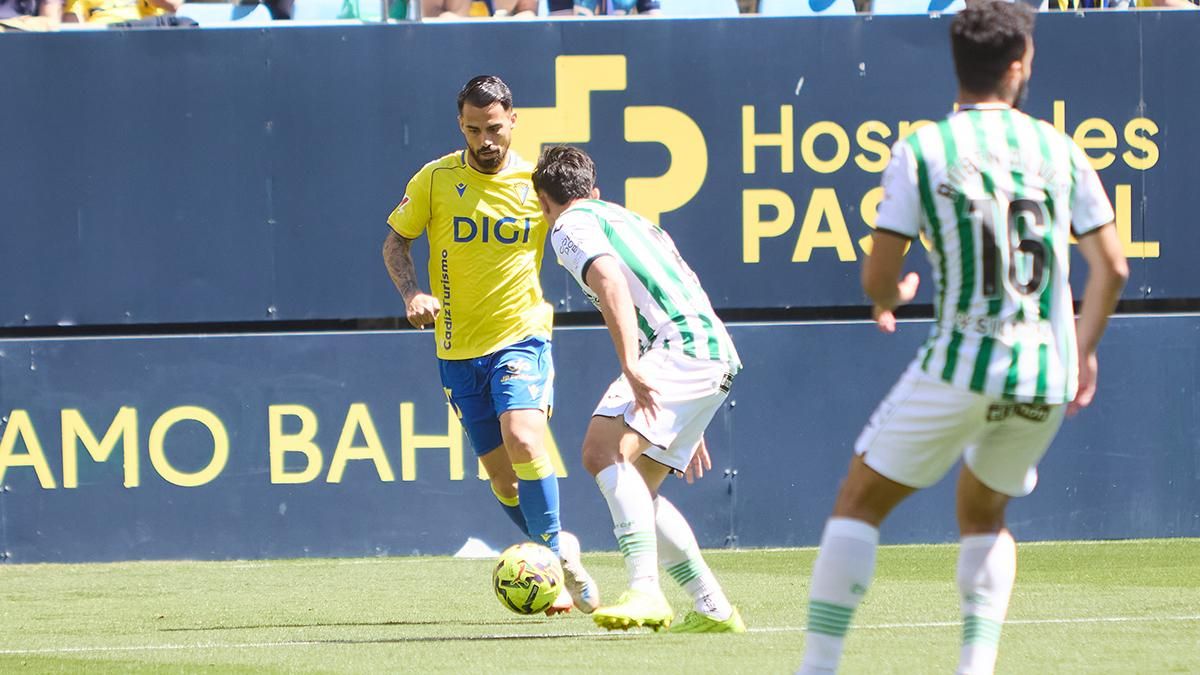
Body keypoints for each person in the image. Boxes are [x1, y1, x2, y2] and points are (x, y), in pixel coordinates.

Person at [797, 2, 1128, 673]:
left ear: (956, 62)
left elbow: (878, 276)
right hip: (1044, 370)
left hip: (962, 361)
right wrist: (1083, 347)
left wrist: (892, 298)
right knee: (985, 511)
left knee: (859, 500)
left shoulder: (923, 149)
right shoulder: (1059, 148)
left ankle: (818, 666)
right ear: (1021, 64)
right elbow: (1113, 266)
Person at [381, 75, 598, 616]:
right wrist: (412, 294)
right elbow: (395, 240)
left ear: (513, 121)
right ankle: (558, 555)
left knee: (525, 439)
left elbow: (587, 231)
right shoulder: (434, 179)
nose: (485, 140)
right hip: (456, 349)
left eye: (494, 128)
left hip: (520, 336)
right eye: (474, 129)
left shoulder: (536, 182)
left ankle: (554, 560)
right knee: (502, 478)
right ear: (461, 125)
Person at [532, 145, 746, 634]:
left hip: (679, 349)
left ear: (545, 203)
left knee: (600, 452)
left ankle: (645, 590)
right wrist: (683, 412)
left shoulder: (568, 225)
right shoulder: (633, 220)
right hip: (710, 352)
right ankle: (713, 607)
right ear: (593, 189)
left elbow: (608, 280)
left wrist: (631, 364)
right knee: (640, 487)